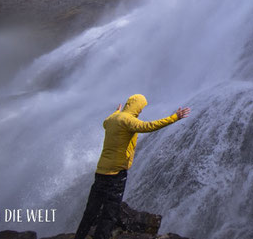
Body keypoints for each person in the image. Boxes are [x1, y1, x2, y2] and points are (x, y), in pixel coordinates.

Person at [73, 94, 190, 239]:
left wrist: (117, 112)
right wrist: (174, 118)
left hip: (100, 172)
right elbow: (148, 126)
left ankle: (79, 236)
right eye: (141, 107)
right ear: (137, 106)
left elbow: (106, 122)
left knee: (91, 210)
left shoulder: (111, 119)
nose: (141, 110)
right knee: (109, 214)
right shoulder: (129, 121)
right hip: (115, 174)